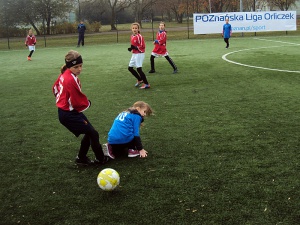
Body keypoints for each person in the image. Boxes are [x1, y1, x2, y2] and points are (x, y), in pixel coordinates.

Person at [52, 50, 109, 166]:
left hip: (67, 111)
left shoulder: (65, 74)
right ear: (69, 66)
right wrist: (87, 103)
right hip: (68, 114)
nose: (79, 69)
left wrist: (61, 99)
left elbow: (55, 88)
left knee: (90, 133)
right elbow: (77, 100)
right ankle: (100, 159)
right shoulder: (70, 79)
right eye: (76, 67)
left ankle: (81, 158)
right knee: (93, 134)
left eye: (81, 66)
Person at [127, 22, 150, 89]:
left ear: (138, 29)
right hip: (134, 54)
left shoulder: (139, 36)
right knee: (130, 68)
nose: (134, 29)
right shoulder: (132, 36)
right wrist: (131, 48)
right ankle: (140, 80)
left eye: (136, 28)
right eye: (133, 28)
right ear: (131, 29)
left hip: (139, 54)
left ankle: (146, 84)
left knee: (139, 69)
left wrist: (136, 48)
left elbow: (143, 46)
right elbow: (134, 45)